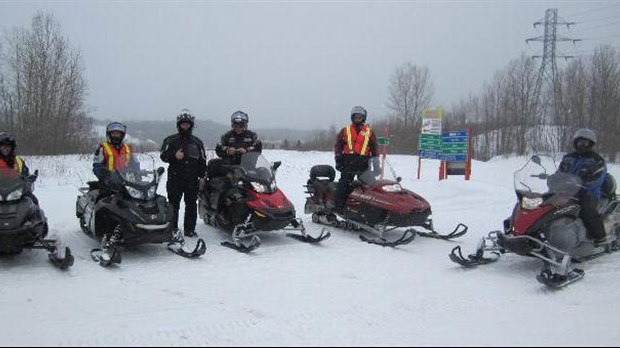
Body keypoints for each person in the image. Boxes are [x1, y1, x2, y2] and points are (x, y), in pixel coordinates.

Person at [160, 109, 207, 237]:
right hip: (175, 177)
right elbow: (163, 156)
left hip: (192, 179)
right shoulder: (170, 140)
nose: (185, 126)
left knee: (191, 205)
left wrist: (202, 177)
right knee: (173, 205)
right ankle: (172, 229)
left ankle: (189, 229)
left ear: (191, 125)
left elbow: (203, 161)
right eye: (183, 124)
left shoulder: (197, 142)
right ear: (179, 125)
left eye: (187, 124)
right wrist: (174, 156)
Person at [557, 128, 607, 244]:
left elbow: (597, 177)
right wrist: (553, 180)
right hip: (567, 192)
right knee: (548, 204)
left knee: (586, 209)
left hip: (588, 193)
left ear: (591, 144)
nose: (582, 145)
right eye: (579, 142)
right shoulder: (568, 158)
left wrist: (584, 186)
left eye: (585, 142)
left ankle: (600, 237)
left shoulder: (596, 160)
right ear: (575, 143)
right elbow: (560, 173)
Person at [333, 106, 379, 214]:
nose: (358, 119)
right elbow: (338, 146)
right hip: (349, 163)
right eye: (356, 117)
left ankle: (372, 209)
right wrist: (338, 159)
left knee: (372, 186)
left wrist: (376, 165)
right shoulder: (346, 130)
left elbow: (375, 149)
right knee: (344, 185)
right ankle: (339, 208)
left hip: (364, 164)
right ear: (352, 117)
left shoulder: (369, 132)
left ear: (363, 118)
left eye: (360, 117)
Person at [92, 122, 139, 200]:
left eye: (118, 134)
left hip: (127, 180)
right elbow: (97, 166)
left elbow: (135, 163)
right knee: (104, 200)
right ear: (109, 134)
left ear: (122, 135)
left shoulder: (128, 148)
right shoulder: (103, 148)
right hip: (109, 181)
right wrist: (104, 175)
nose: (116, 136)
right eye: (114, 133)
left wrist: (137, 174)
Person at [0, 132, 38, 204]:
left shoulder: (18, 160)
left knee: (33, 202)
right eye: (2, 146)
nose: (5, 148)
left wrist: (30, 178)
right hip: (1, 192)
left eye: (8, 146)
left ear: (12, 147)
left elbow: (25, 173)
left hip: (16, 192)